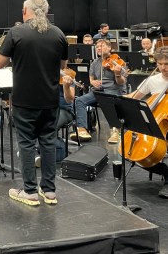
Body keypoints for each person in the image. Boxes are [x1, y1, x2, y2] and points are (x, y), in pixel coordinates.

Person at [0, 0, 68, 206]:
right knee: (48, 143)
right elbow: (63, 66)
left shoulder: (17, 32)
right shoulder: (59, 34)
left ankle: (30, 191)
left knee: (27, 144)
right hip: (50, 100)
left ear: (25, 11)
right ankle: (49, 191)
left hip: (24, 100)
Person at [72, 39, 127, 143]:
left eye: (102, 46)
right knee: (79, 100)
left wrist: (117, 74)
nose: (99, 48)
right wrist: (93, 82)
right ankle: (82, 129)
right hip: (98, 92)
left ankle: (115, 131)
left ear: (110, 48)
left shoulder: (118, 62)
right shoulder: (94, 63)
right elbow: (91, 78)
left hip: (113, 91)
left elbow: (121, 82)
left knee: (107, 100)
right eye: (97, 47)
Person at [130, 47, 168, 198]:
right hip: (158, 122)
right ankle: (165, 172)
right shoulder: (152, 80)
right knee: (133, 152)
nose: (164, 68)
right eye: (160, 64)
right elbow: (134, 96)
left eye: (167, 63)